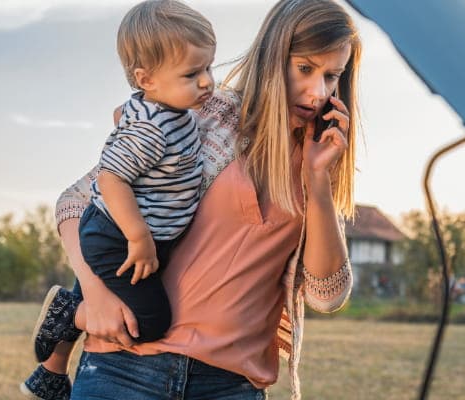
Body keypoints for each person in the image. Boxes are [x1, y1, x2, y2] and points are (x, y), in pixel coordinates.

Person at [44, 0, 361, 398]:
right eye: (304, 69)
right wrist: (94, 295)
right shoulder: (203, 116)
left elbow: (327, 295)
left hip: (229, 385)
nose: (318, 92)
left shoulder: (320, 158)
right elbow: (75, 203)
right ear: (273, 57)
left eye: (332, 76)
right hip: (126, 369)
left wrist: (317, 182)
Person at [20, 1, 216, 399]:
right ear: (147, 79)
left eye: (209, 68)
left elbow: (125, 113)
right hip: (119, 235)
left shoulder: (168, 108)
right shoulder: (153, 128)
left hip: (126, 232)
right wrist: (139, 237)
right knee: (151, 321)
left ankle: (51, 372)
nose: (207, 82)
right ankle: (70, 315)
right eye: (192, 74)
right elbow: (110, 178)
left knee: (123, 289)